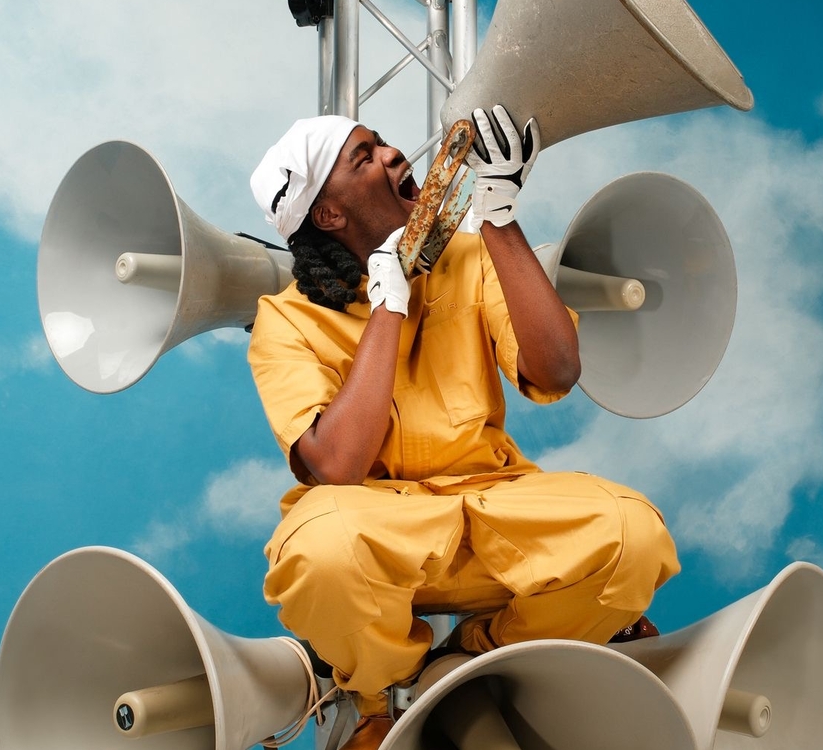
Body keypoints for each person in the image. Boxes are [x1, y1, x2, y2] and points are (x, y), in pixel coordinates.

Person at [248, 106, 679, 749]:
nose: (395, 156)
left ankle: (480, 656)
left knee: (632, 533)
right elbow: (334, 466)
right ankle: (384, 694)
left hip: (495, 514)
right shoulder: (283, 321)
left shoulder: (472, 255)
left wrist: (499, 218)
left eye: (384, 144)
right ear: (329, 216)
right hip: (382, 535)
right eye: (364, 158)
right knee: (317, 551)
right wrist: (387, 305)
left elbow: (556, 368)